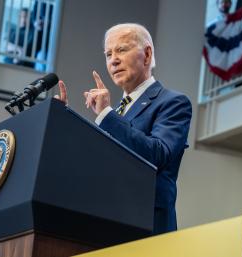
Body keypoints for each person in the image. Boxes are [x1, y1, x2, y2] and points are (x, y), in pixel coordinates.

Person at [55, 23, 192, 235]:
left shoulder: (173, 102)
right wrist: (63, 123)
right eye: (108, 54)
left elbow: (157, 154)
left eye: (121, 50)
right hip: (102, 224)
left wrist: (106, 115)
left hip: (145, 229)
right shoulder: (115, 112)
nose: (113, 60)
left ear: (146, 55)